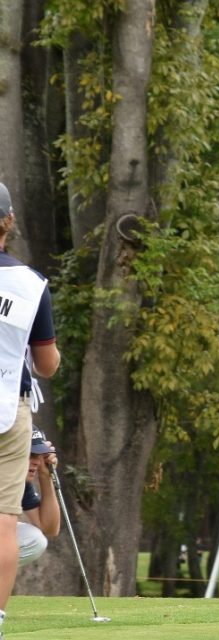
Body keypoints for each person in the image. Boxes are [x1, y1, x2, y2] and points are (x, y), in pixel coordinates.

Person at [0, 181, 60, 639]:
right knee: (4, 519)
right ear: (9, 222)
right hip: (5, 407)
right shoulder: (30, 283)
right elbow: (46, 363)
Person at [18, 429, 60, 567]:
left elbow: (49, 528)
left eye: (39, 456)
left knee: (35, 539)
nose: (36, 462)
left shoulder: (21, 483)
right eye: (30, 454)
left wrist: (45, 475)